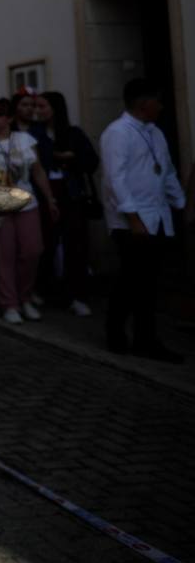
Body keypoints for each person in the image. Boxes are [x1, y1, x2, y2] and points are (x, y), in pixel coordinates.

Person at [100, 79, 186, 362]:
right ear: (143, 103)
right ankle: (116, 333)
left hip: (157, 216)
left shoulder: (155, 133)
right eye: (157, 101)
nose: (161, 106)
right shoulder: (118, 133)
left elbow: (167, 170)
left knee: (147, 283)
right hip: (132, 222)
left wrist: (180, 203)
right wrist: (133, 218)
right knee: (129, 281)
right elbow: (115, 179)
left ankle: (145, 339)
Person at [0, 99, 59, 324]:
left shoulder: (26, 141)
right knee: (3, 255)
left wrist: (50, 198)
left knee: (32, 251)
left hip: (26, 203)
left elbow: (37, 171)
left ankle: (25, 297)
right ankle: (10, 303)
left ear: (9, 118)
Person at [31, 92, 99, 316]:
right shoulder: (35, 134)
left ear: (55, 108)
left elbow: (92, 161)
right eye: (36, 106)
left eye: (42, 106)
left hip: (71, 192)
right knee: (46, 244)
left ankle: (76, 295)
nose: (38, 110)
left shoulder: (73, 133)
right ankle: (44, 287)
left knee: (76, 244)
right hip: (45, 193)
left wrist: (72, 158)